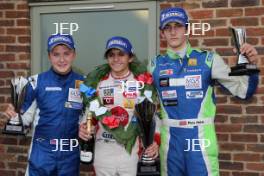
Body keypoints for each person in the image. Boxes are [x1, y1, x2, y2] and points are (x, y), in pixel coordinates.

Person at [148, 7, 259, 176]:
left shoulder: (208, 60)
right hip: (171, 143)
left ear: (187, 29)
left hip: (200, 140)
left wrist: (250, 65)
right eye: (167, 28)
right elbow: (147, 106)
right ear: (162, 34)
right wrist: (154, 137)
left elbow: (243, 91)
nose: (173, 31)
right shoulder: (154, 65)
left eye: (177, 26)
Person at [4, 33, 84, 176]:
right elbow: (25, 119)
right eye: (56, 54)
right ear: (49, 56)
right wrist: (15, 116)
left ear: (74, 55)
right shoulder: (35, 82)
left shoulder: (84, 83)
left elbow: (87, 118)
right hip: (42, 152)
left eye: (66, 53)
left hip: (70, 153)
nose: (61, 59)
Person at [79, 36, 159, 176]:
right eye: (111, 55)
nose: (116, 59)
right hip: (103, 150)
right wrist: (85, 128)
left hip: (131, 152)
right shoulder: (99, 82)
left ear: (130, 57)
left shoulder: (142, 82)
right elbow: (90, 115)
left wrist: (155, 141)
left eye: (121, 54)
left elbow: (153, 116)